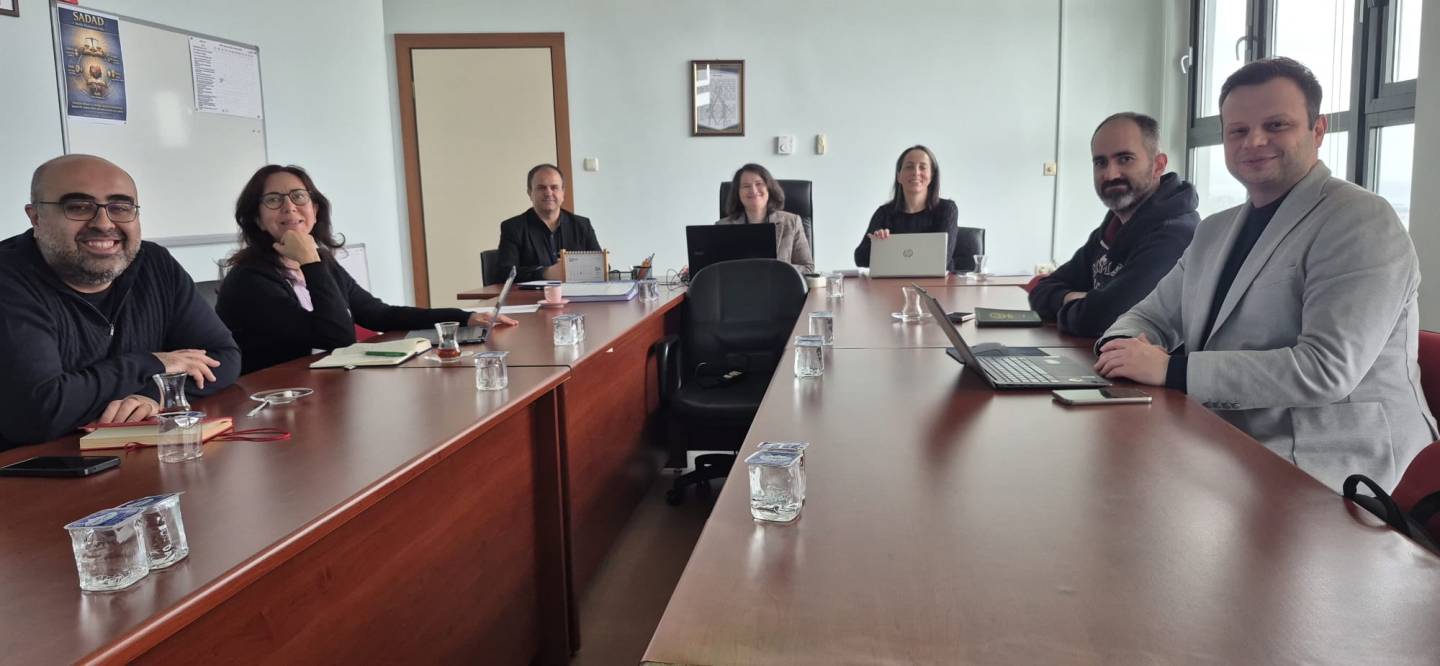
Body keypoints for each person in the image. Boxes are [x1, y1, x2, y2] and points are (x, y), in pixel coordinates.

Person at [1095, 57, 1437, 490]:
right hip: (1226, 445)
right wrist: (1118, 348)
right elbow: (1150, 315)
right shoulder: (1214, 231)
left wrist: (1171, 370)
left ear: (1317, 130)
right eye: (1238, 130)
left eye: (1276, 125)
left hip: (1340, 469)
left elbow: (1325, 369)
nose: (1254, 141)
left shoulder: (1361, 220)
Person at [0, 155, 240, 449]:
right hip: (29, 466)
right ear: (36, 217)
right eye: (78, 207)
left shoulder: (154, 263)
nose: (104, 223)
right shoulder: (9, 278)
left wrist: (153, 395)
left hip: (131, 456)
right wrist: (152, 363)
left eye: (120, 207)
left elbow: (223, 357)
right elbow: (37, 411)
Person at [216, 165, 516, 375]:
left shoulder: (321, 263)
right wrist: (310, 262)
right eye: (273, 200)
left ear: (315, 209)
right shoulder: (250, 280)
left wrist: (464, 317)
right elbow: (337, 337)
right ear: (257, 219)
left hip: (319, 388)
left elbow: (379, 314)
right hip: (270, 402)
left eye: (299, 196)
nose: (289, 207)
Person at [1029, 113, 1199, 337]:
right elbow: (1040, 291)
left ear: (1158, 165)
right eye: (1100, 162)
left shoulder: (1175, 234)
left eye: (1125, 159)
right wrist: (1076, 299)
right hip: (1095, 354)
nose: (1110, 174)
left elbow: (1105, 319)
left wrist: (1081, 303)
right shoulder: (1111, 228)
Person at [854, 145, 959, 271]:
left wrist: (890, 252)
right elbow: (860, 259)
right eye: (909, 167)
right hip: (894, 281)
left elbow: (942, 259)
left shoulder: (947, 209)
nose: (916, 172)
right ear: (899, 176)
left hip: (937, 282)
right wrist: (877, 244)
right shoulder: (884, 213)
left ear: (932, 175)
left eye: (922, 167)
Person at [496, 164, 601, 281]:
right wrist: (545, 273)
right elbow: (505, 273)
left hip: (577, 292)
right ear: (530, 193)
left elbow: (599, 266)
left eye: (554, 187)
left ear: (563, 192)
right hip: (532, 293)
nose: (548, 193)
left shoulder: (582, 225)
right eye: (541, 188)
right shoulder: (513, 227)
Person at [714, 163, 813, 272]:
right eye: (746, 186)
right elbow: (714, 270)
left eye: (759, 184)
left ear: (769, 188)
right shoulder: (722, 226)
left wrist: (776, 268)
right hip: (738, 283)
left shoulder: (791, 222)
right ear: (737, 193)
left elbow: (808, 269)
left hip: (779, 282)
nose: (753, 190)